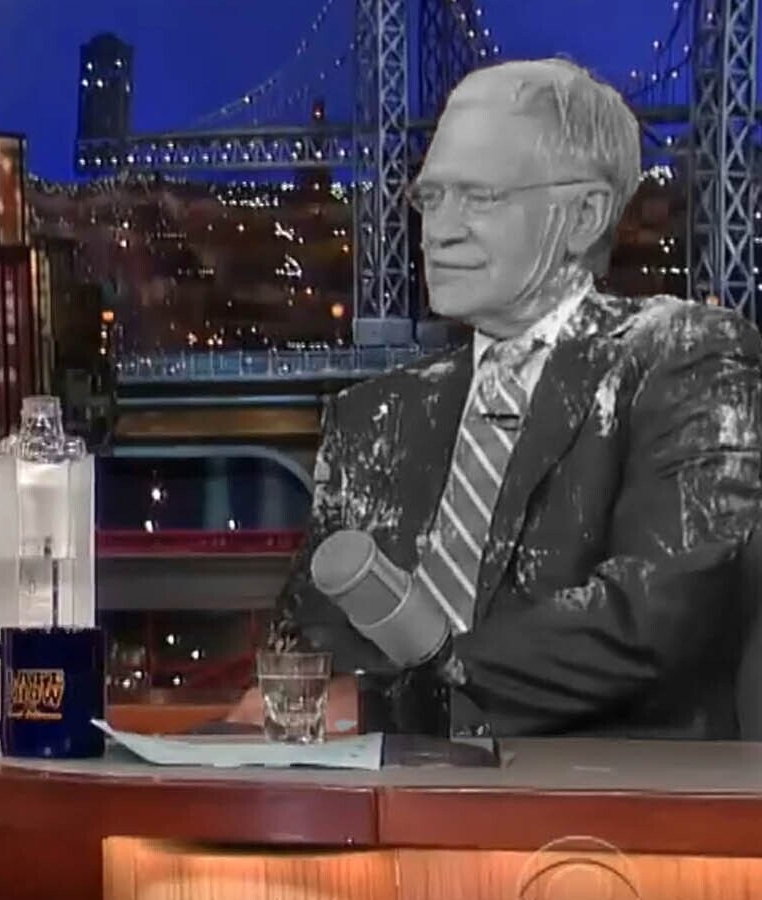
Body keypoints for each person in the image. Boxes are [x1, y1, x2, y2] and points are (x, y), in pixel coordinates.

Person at [268, 58, 762, 739]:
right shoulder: (373, 413)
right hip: (377, 793)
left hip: (597, 794)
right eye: (432, 196)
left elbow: (655, 615)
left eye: (480, 197)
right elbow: (306, 648)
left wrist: (411, 701)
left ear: (585, 215)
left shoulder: (686, 357)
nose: (438, 230)